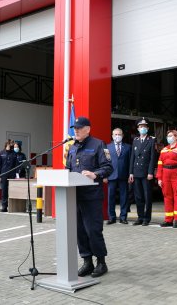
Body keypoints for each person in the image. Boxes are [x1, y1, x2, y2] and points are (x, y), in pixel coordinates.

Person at [65, 116, 113, 278]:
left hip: (91, 196)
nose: (76, 130)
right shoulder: (71, 147)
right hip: (74, 195)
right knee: (79, 231)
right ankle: (87, 261)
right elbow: (67, 169)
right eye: (75, 128)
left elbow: (108, 167)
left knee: (93, 230)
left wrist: (95, 174)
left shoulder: (98, 144)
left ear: (88, 129)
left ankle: (101, 262)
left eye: (79, 128)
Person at [156, 129, 177, 228]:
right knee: (167, 197)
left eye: (171, 135)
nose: (169, 138)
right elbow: (159, 164)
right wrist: (159, 178)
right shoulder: (164, 149)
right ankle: (168, 219)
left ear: (176, 137)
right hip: (165, 174)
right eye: (168, 136)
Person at [129, 118, 157, 226]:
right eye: (141, 127)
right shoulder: (135, 140)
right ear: (138, 128)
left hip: (146, 173)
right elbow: (132, 157)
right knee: (138, 196)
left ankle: (147, 218)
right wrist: (131, 172)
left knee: (147, 196)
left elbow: (152, 158)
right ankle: (140, 217)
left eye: (144, 127)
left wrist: (150, 172)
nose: (143, 128)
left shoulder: (151, 140)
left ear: (148, 128)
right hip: (136, 172)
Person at [106, 128, 131, 224]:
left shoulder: (128, 147)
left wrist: (130, 174)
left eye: (119, 134)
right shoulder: (107, 147)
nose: (117, 136)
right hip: (111, 176)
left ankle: (123, 217)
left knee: (124, 197)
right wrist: (105, 176)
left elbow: (130, 162)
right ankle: (111, 217)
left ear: (122, 135)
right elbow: (106, 162)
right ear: (112, 136)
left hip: (124, 176)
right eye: (115, 134)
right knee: (110, 197)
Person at [0, 139, 25, 212]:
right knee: (4, 191)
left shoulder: (14, 153)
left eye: (12, 145)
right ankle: (4, 206)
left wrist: (17, 174)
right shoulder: (1, 153)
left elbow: (17, 165)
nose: (12, 146)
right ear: (6, 144)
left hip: (12, 175)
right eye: (10, 145)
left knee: (13, 190)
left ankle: (13, 206)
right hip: (4, 174)